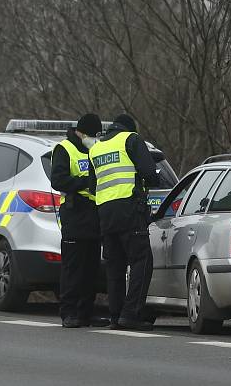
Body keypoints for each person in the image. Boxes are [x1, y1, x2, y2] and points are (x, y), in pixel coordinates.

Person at [89, 113, 160, 331]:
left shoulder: (96, 149)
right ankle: (131, 314)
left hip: (105, 214)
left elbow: (93, 186)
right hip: (129, 210)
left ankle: (115, 315)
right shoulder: (131, 139)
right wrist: (152, 179)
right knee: (142, 261)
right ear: (130, 128)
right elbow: (149, 172)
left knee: (115, 267)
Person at [50, 113, 109, 328]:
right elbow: (58, 180)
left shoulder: (95, 149)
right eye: (91, 135)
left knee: (91, 267)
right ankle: (69, 312)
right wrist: (85, 182)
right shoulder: (64, 149)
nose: (93, 139)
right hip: (75, 212)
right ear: (80, 132)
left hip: (95, 213)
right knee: (73, 266)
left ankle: (86, 312)